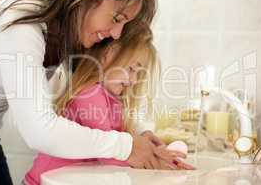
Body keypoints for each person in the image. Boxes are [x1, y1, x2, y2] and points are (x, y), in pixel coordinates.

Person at [0, 0, 189, 184]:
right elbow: (39, 131)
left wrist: (141, 135)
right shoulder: (21, 25)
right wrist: (129, 146)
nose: (117, 34)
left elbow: (92, 85)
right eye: (117, 18)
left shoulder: (65, 31)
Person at [24, 25, 193, 185]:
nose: (133, 81)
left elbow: (123, 142)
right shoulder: (90, 95)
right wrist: (156, 161)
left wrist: (148, 144)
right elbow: (112, 155)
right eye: (132, 69)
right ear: (108, 55)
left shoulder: (111, 99)